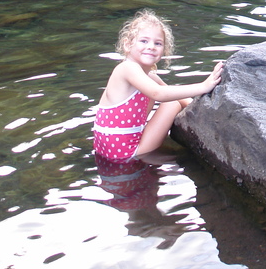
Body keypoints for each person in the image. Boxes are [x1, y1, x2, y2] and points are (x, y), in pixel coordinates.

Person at [93, 9, 221, 162]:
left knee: (172, 99)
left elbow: (173, 94)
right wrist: (204, 86)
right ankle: (161, 161)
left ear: (164, 49)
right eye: (144, 41)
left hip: (112, 149)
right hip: (126, 152)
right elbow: (159, 94)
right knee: (171, 104)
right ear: (127, 45)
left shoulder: (149, 76)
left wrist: (200, 110)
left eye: (158, 43)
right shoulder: (127, 68)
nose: (151, 46)